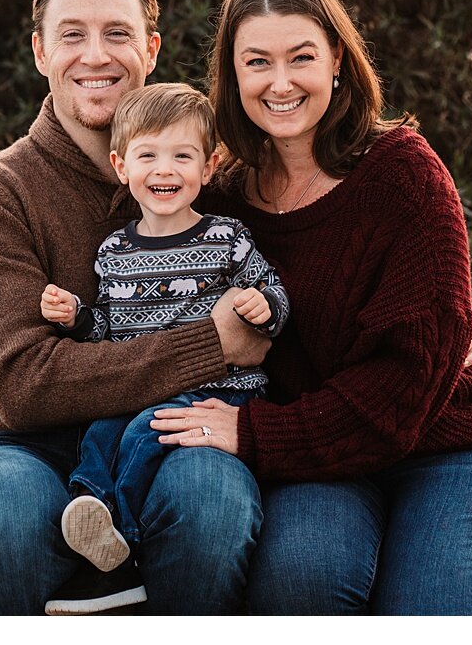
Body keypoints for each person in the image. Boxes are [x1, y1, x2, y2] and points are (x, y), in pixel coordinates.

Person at [151, 0, 472, 615]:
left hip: (456, 449)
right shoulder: (219, 202)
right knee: (299, 579)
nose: (280, 82)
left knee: (430, 609)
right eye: (257, 61)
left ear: (337, 57)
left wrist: (254, 434)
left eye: (301, 56)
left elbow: (403, 386)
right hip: (325, 465)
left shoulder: (403, 175)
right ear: (232, 72)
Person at [0, 0, 271, 616]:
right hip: (21, 442)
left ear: (150, 49)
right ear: (40, 52)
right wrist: (212, 343)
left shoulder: (205, 177)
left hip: (177, 422)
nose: (96, 55)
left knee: (211, 504)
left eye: (117, 33)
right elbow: (26, 384)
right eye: (73, 35)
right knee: (4, 517)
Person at [39, 82, 288, 585]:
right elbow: (110, 326)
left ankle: (123, 533)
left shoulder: (226, 237)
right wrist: (76, 318)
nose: (165, 169)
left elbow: (272, 288)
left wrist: (264, 307)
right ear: (122, 166)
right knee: (100, 433)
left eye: (182, 155)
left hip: (216, 393)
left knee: (140, 431)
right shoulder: (114, 251)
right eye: (147, 155)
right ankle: (90, 505)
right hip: (141, 389)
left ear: (208, 167)